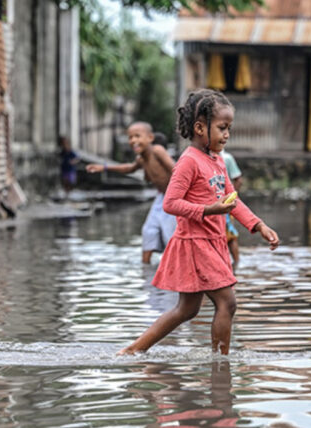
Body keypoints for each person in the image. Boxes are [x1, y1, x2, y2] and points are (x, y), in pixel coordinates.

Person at [117, 89, 279, 356]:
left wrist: (258, 225)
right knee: (227, 303)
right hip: (195, 243)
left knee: (187, 310)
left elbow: (232, 200)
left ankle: (133, 350)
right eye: (223, 128)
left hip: (213, 242)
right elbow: (170, 203)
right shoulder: (188, 162)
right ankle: (220, 363)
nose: (227, 134)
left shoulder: (216, 161)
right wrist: (207, 210)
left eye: (229, 128)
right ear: (200, 128)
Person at [85, 122, 176, 264]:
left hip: (175, 197)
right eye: (130, 137)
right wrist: (104, 168)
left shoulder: (157, 151)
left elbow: (176, 169)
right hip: (161, 197)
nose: (133, 140)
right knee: (148, 231)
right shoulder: (142, 159)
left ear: (150, 138)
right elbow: (129, 168)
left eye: (137, 136)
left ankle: (177, 269)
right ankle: (145, 268)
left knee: (171, 235)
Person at [220, 150, 243, 269]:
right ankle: (234, 263)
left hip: (224, 204)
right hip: (217, 203)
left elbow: (238, 179)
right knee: (228, 235)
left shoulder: (226, 158)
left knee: (230, 235)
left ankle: (236, 263)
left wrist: (231, 196)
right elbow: (238, 179)